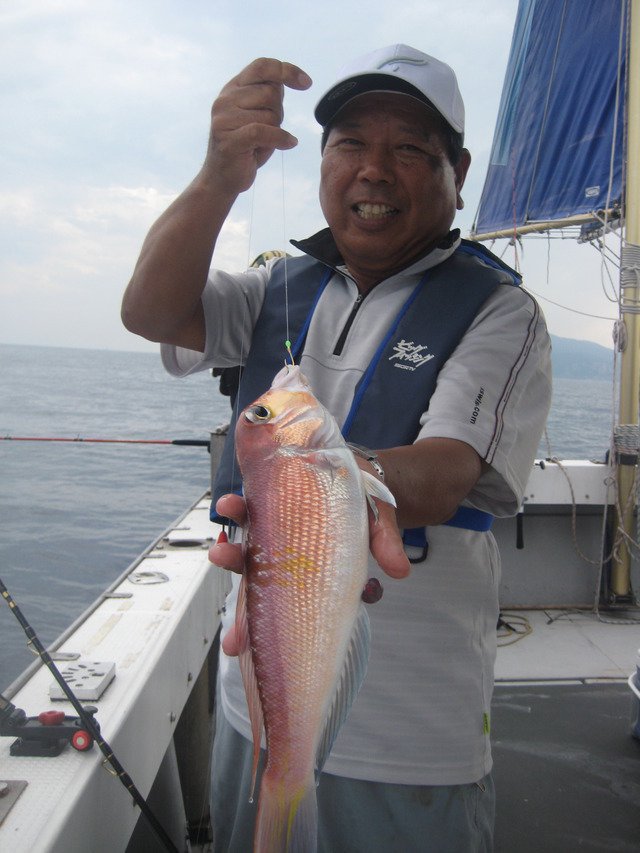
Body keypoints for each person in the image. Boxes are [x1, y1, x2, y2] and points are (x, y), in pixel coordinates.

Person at [122, 44, 552, 852]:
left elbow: (452, 466)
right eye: (351, 143)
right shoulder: (273, 287)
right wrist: (220, 175)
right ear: (320, 161)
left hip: (413, 741)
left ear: (457, 170)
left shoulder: (502, 311)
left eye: (410, 150)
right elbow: (150, 310)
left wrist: (326, 478)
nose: (374, 170)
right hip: (256, 711)